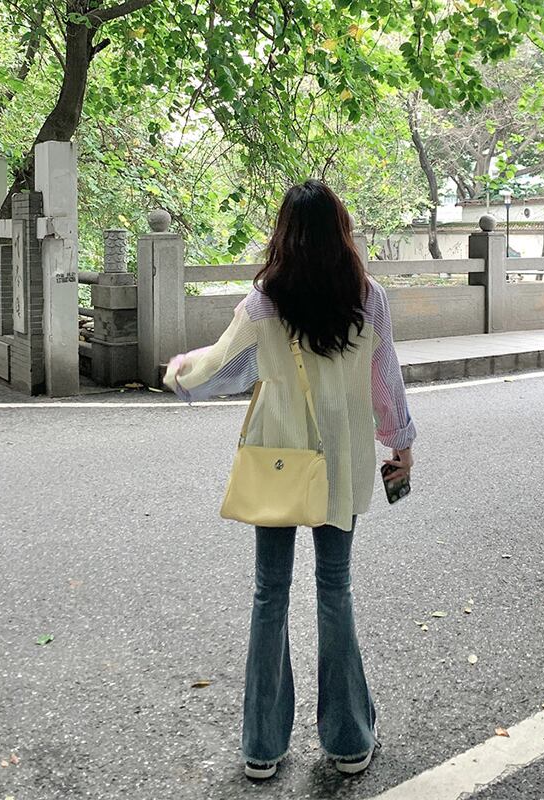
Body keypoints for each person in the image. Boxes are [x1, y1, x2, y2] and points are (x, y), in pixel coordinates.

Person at [162, 179, 416, 779]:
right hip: (340, 454)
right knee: (335, 590)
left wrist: (179, 372)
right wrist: (401, 443)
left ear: (285, 234)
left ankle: (262, 747)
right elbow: (385, 378)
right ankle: (349, 742)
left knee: (269, 593)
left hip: (276, 453)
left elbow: (221, 365)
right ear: (341, 231)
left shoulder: (264, 300)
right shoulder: (368, 296)